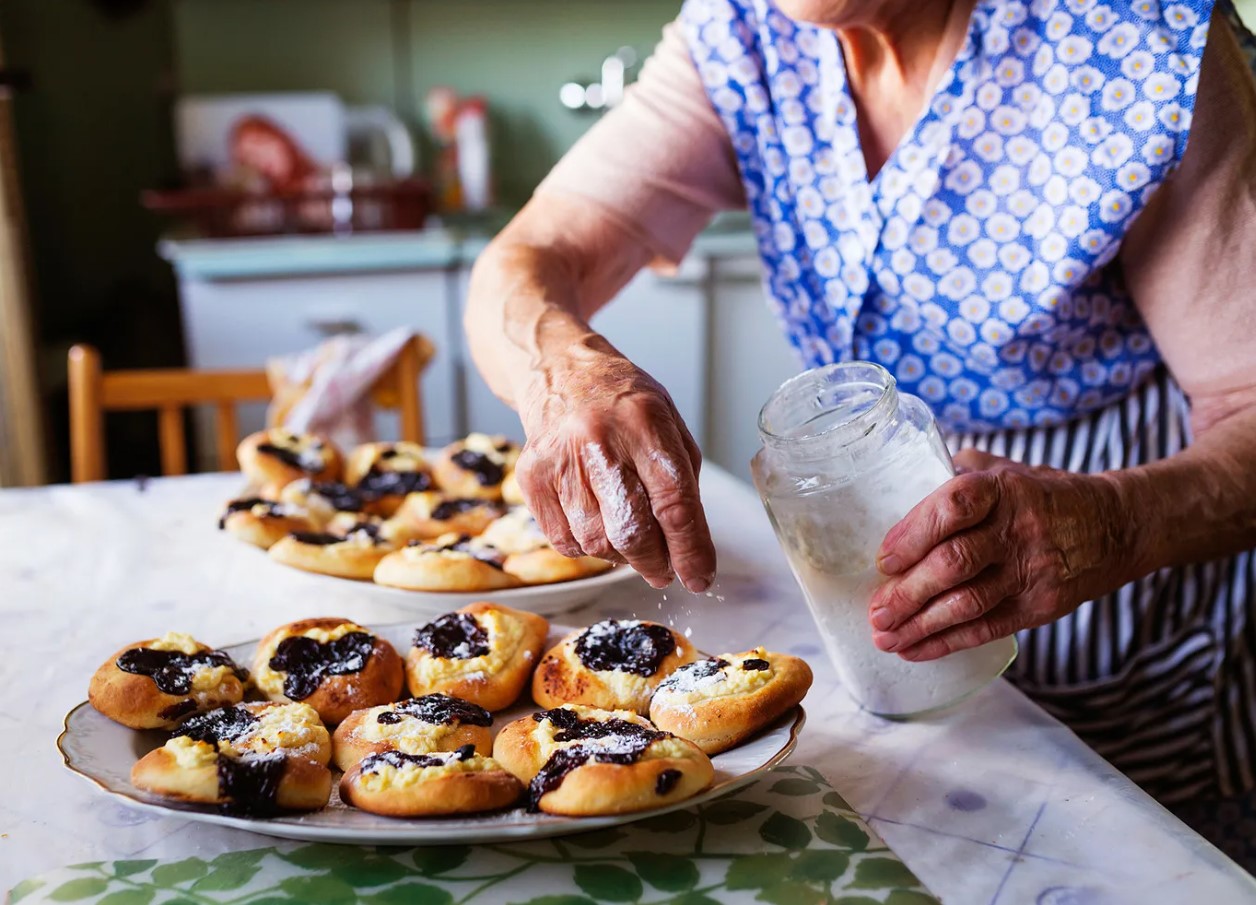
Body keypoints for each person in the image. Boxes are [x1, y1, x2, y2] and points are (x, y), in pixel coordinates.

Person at [465, 0, 1256, 868]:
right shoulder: (745, 36)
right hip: (875, 617)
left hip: (1129, 610)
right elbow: (529, 254)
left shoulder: (1141, 39)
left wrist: (1113, 522)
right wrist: (567, 374)